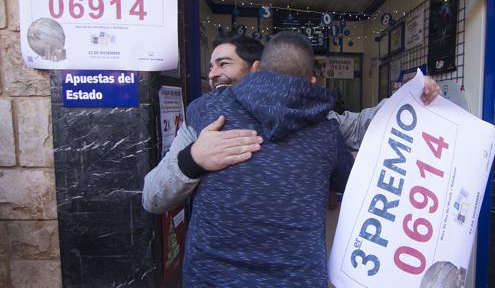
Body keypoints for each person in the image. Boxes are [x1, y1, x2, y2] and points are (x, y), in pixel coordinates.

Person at [142, 34, 441, 213]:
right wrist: (192, 159)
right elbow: (153, 197)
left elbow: (364, 126)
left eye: (224, 64)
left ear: (257, 68)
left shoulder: (319, 120)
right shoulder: (203, 119)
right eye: (211, 66)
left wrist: (412, 96)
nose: (213, 74)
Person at [182, 31, 354, 286]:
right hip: (297, 278)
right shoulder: (328, 133)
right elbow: (349, 183)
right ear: (312, 81)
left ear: (258, 68)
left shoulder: (205, 110)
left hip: (211, 277)